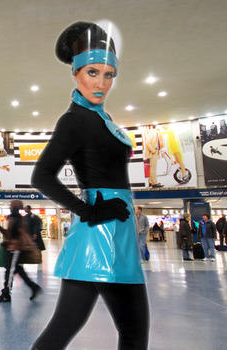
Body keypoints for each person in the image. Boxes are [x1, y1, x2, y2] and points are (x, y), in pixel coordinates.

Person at [31, 21, 148, 349]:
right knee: (62, 331)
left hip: (121, 231)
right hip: (97, 235)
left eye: (108, 74)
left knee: (135, 332)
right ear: (76, 73)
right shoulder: (75, 120)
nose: (101, 82)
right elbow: (41, 175)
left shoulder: (103, 119)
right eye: (92, 73)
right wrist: (88, 210)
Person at [0, 200, 42, 303]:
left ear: (14, 207)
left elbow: (9, 235)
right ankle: (33, 287)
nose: (10, 207)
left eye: (11, 205)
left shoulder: (15, 219)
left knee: (10, 272)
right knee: (18, 270)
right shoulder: (18, 219)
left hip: (14, 249)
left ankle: (6, 293)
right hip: (15, 249)